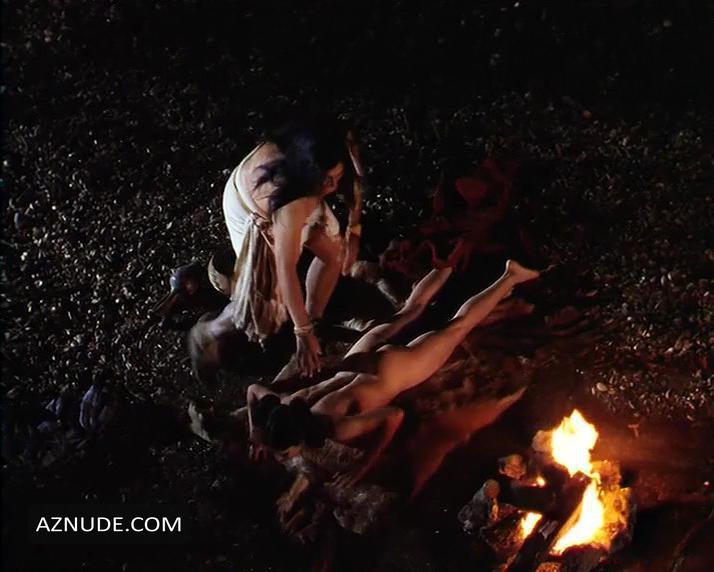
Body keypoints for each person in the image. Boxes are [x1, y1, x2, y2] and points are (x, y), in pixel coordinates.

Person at [245, 259, 540, 488]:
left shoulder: (335, 427)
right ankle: (450, 259)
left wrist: (365, 464)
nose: (284, 457)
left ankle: (510, 275)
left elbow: (394, 416)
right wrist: (254, 431)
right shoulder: (287, 402)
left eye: (284, 453)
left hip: (393, 373)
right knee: (411, 308)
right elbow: (253, 390)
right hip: (360, 359)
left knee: (458, 327)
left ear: (296, 438)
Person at [189, 118, 365, 383]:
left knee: (334, 253)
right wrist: (301, 332)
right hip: (251, 207)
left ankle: (314, 321)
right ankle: (208, 333)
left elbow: (355, 181)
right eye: (329, 180)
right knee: (264, 303)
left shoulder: (331, 143)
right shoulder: (293, 201)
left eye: (337, 178)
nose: (334, 187)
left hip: (297, 185)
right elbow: (285, 268)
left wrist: (354, 229)